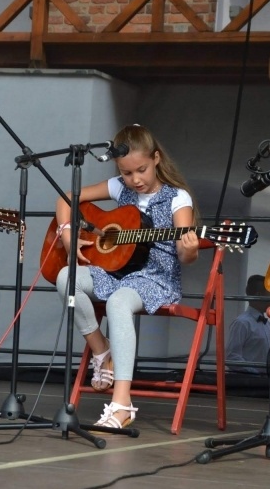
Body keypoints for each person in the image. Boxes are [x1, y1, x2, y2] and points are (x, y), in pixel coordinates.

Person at [53, 124, 200, 429]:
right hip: (119, 272)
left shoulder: (177, 198)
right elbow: (67, 198)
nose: (135, 180)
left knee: (118, 303)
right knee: (67, 277)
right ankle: (101, 350)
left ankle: (122, 404)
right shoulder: (120, 187)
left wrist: (190, 249)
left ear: (156, 159)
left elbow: (185, 256)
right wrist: (67, 234)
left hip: (156, 277)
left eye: (141, 170)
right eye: (127, 173)